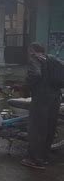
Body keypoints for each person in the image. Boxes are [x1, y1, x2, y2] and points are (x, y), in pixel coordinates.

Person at [21, 42, 62, 170]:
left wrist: (26, 86)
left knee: (37, 129)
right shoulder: (52, 59)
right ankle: (44, 157)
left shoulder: (35, 59)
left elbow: (36, 74)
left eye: (29, 50)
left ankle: (34, 160)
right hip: (55, 98)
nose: (28, 53)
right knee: (49, 128)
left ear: (32, 50)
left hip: (42, 99)